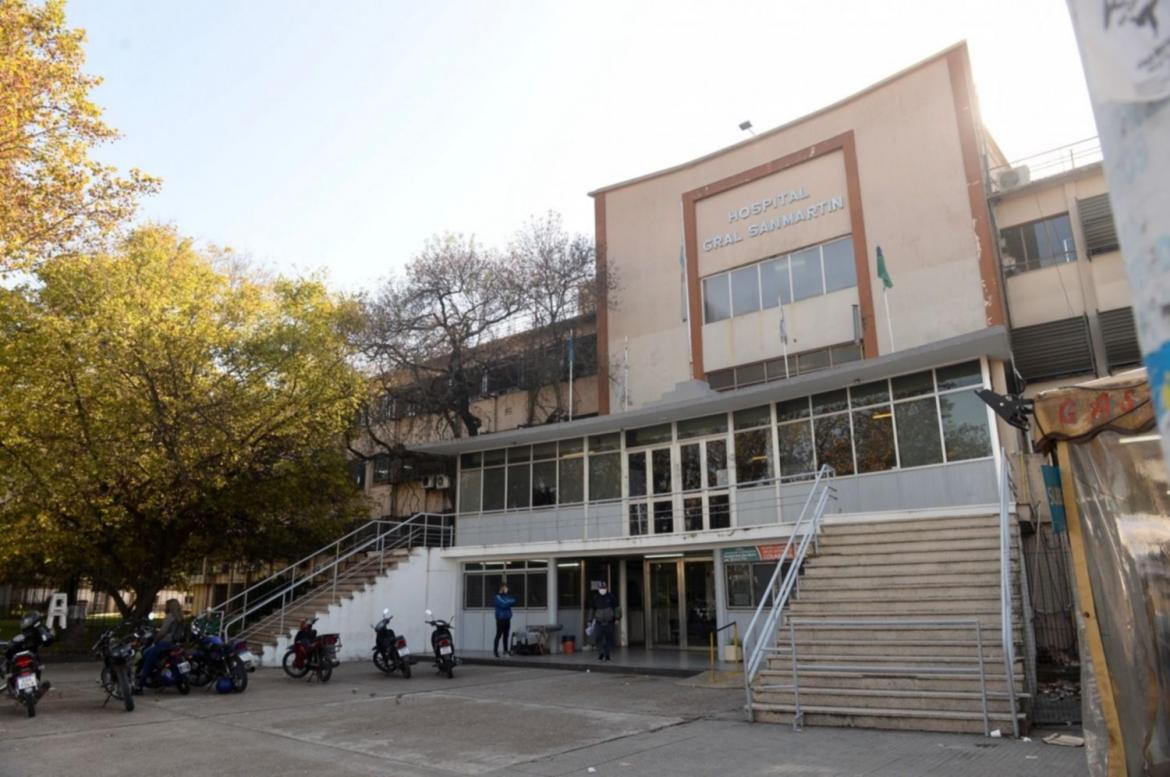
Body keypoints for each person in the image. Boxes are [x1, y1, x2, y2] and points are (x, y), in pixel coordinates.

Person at [136, 598, 185, 691]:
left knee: (148, 658)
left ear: (170, 607)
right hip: (175, 644)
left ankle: (140, 685)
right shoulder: (181, 617)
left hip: (165, 644)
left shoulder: (170, 616)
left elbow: (163, 632)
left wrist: (156, 639)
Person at [588, 584, 620, 661]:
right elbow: (592, 610)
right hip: (599, 622)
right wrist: (589, 620)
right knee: (598, 637)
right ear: (598, 589)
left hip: (610, 622)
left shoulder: (611, 597)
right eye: (601, 588)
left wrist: (617, 618)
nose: (602, 590)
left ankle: (607, 654)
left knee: (609, 639)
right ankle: (601, 653)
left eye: (604, 588)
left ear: (606, 588)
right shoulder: (595, 598)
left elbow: (617, 608)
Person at [493, 584, 517, 658]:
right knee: (499, 634)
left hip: (507, 618)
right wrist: (509, 603)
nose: (507, 590)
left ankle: (505, 650)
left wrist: (508, 603)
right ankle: (495, 651)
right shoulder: (497, 597)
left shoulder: (506, 597)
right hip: (500, 618)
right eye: (506, 588)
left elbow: (514, 601)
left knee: (506, 635)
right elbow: (504, 604)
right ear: (502, 589)